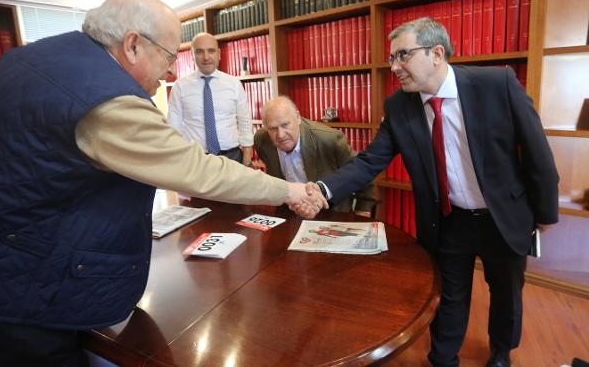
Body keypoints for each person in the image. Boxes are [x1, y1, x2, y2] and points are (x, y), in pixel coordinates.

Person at [0, 0, 325, 366]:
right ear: (133, 45)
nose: (171, 71)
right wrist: (289, 189)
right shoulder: (106, 100)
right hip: (13, 295)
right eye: (170, 55)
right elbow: (197, 171)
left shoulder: (33, 59)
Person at [305, 18, 559, 367]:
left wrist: (545, 214)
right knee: (450, 295)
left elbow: (537, 152)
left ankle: (501, 353)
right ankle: (443, 358)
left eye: (402, 56)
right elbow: (369, 161)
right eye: (392, 58)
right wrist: (322, 189)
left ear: (436, 53)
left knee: (507, 294)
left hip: (502, 216)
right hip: (449, 219)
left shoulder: (496, 84)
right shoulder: (399, 106)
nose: (394, 67)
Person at [255, 96, 375, 214]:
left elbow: (361, 173)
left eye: (285, 125)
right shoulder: (261, 141)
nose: (280, 135)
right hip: (288, 212)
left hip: (330, 212)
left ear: (297, 118)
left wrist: (362, 211)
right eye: (273, 128)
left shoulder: (329, 139)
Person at [168, 32, 254, 165]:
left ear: (219, 53)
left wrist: (247, 161)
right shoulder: (180, 87)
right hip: (195, 159)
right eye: (199, 52)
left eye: (211, 51)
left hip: (232, 158)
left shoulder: (234, 84)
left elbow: (245, 122)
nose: (206, 57)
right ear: (192, 55)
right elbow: (174, 128)